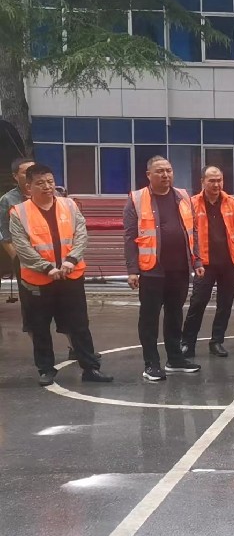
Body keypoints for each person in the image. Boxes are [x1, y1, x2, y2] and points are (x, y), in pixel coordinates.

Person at [9, 164, 112, 386]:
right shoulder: (19, 212)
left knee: (79, 324)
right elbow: (22, 247)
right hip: (38, 280)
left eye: (50, 181)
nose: (47, 186)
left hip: (70, 276)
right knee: (40, 327)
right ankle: (46, 369)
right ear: (29, 187)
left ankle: (90, 368)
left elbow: (81, 234)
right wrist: (47, 268)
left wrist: (71, 260)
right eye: (40, 183)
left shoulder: (69, 205)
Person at [124, 156, 203, 381]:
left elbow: (193, 231)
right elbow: (129, 237)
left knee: (175, 315)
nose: (165, 175)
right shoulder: (136, 199)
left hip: (179, 269)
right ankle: (151, 364)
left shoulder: (183, 196)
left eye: (168, 170)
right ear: (149, 175)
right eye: (160, 171)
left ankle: (175, 359)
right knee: (149, 318)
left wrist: (197, 261)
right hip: (151, 270)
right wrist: (132, 270)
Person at [180, 166, 234, 358]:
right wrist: (196, 260)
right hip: (204, 264)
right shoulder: (192, 204)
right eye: (212, 181)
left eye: (219, 180)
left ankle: (217, 341)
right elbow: (188, 234)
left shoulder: (231, 202)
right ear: (202, 182)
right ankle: (187, 342)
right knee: (198, 302)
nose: (216, 184)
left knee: (225, 304)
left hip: (229, 262)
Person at [1, 157, 35, 333]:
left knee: (62, 305)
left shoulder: (50, 195)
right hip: (23, 258)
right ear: (15, 176)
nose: (31, 175)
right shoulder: (8, 200)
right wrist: (15, 255)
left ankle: (73, 345)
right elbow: (3, 231)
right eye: (25, 172)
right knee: (30, 303)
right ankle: (39, 344)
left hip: (51, 256)